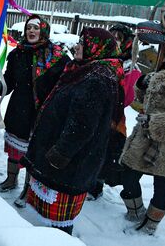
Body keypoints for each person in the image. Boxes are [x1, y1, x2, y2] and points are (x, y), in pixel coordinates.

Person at [21, 27, 123, 235]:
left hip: (69, 163)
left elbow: (82, 126)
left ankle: (60, 239)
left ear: (96, 49)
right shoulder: (86, 69)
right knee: (51, 215)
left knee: (59, 220)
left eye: (83, 44)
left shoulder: (96, 79)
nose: (77, 46)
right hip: (63, 155)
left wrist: (60, 154)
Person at [119, 20, 165, 235]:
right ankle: (136, 211)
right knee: (128, 177)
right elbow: (149, 99)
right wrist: (143, 84)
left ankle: (150, 225)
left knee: (162, 185)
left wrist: (154, 122)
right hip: (146, 136)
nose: (164, 46)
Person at [0, 15, 69, 208]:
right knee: (14, 148)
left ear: (43, 30)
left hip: (41, 111)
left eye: (36, 28)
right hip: (19, 107)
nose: (31, 31)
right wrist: (2, 86)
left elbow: (63, 85)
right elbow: (10, 79)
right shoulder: (17, 53)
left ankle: (28, 188)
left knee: (32, 151)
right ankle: (11, 179)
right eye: (29, 28)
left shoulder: (57, 56)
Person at [87, 23, 135, 199]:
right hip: (97, 111)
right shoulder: (100, 57)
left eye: (118, 38)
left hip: (113, 116)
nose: (114, 40)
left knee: (105, 150)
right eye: (112, 36)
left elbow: (128, 95)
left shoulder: (129, 64)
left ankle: (96, 185)